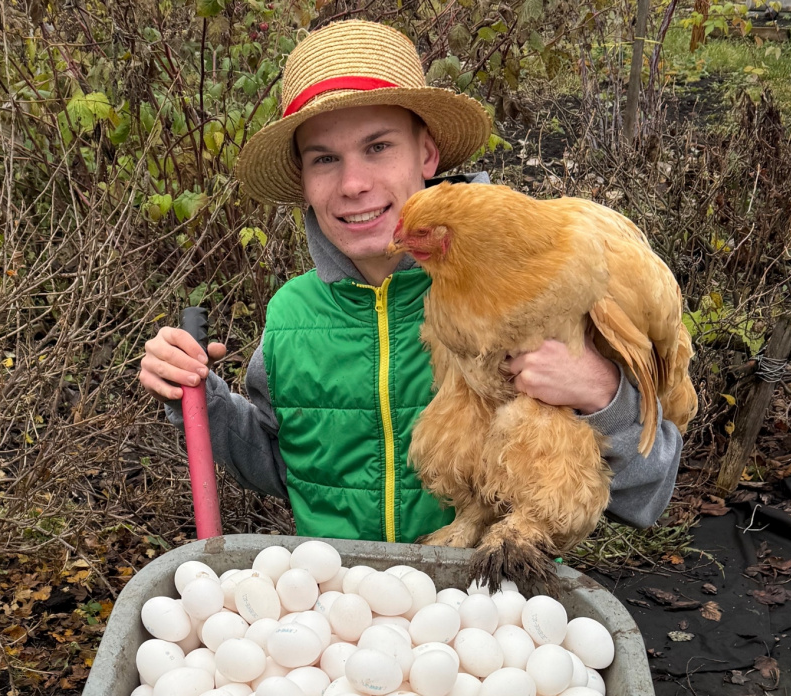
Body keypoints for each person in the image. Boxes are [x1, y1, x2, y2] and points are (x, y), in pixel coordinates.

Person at [138, 20, 682, 543]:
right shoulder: (290, 315)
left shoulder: (530, 295)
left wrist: (602, 396)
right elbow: (285, 470)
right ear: (303, 181)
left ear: (426, 153)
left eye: (378, 147)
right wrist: (198, 398)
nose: (353, 184)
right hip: (343, 604)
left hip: (492, 602)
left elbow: (647, 495)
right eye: (324, 159)